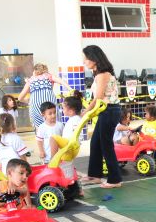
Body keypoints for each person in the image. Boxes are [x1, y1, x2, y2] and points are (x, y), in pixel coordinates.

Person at [83, 44, 122, 188]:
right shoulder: (99, 74)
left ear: (94, 58)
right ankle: (95, 175)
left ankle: (115, 179)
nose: (84, 61)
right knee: (95, 142)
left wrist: (86, 111)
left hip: (109, 110)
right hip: (105, 110)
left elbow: (98, 98)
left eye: (86, 58)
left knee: (106, 144)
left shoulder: (103, 75)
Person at [17, 63, 71, 129]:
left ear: (35, 71)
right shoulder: (48, 76)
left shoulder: (31, 80)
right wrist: (71, 90)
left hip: (35, 107)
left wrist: (28, 101)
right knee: (55, 126)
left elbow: (20, 98)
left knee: (41, 130)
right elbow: (62, 82)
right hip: (50, 105)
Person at [51, 93, 84, 197]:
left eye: (63, 108)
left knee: (53, 138)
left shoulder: (75, 120)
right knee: (68, 167)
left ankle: (53, 159)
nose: (62, 110)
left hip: (70, 146)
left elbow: (76, 132)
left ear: (70, 111)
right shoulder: (76, 119)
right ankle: (78, 189)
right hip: (71, 146)